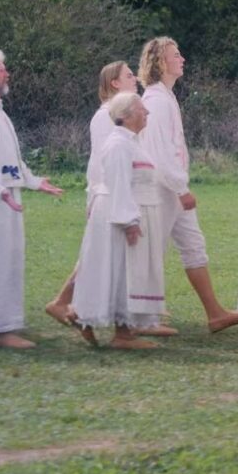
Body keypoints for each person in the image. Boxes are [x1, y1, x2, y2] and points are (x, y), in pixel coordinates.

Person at [137, 37, 238, 333]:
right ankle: (141, 319)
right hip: (162, 190)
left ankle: (215, 314)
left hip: (173, 189)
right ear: (160, 62)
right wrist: (181, 189)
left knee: (194, 246)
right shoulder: (156, 100)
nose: (182, 59)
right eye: (176, 55)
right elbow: (159, 153)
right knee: (152, 250)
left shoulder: (167, 97)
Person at [43, 60, 142, 328]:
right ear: (115, 83)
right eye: (129, 75)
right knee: (96, 255)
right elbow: (102, 159)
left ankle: (71, 304)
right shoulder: (105, 116)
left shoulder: (121, 113)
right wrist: (98, 196)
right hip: (104, 192)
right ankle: (70, 304)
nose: (135, 79)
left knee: (96, 255)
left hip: (112, 191)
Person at [0, 49, 66, 349]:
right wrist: (0, 190)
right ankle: (0, 329)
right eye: (1, 70)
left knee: (6, 257)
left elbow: (11, 159)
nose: (7, 74)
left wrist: (33, 181)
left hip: (3, 194)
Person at [70, 92, 162, 349]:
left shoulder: (131, 142)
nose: (147, 113)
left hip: (129, 210)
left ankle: (87, 317)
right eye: (142, 109)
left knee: (119, 268)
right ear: (126, 115)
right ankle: (122, 333)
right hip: (119, 215)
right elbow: (118, 183)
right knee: (122, 269)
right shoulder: (118, 144)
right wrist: (129, 221)